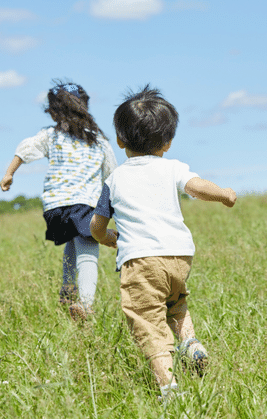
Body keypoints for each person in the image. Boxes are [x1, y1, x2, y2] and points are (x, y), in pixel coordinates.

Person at [89, 85, 237, 399]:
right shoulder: (173, 168)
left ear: (119, 140)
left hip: (141, 260)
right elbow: (196, 187)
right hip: (179, 256)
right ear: (167, 142)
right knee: (176, 305)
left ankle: (169, 390)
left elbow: (97, 226)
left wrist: (107, 238)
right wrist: (223, 193)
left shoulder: (114, 179)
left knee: (147, 320)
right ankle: (191, 344)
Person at [0, 80, 118, 320]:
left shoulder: (51, 135)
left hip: (55, 207)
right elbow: (113, 175)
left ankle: (67, 289)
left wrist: (9, 173)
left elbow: (25, 149)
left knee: (72, 241)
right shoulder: (98, 141)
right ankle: (86, 305)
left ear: (54, 112)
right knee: (88, 251)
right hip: (84, 202)